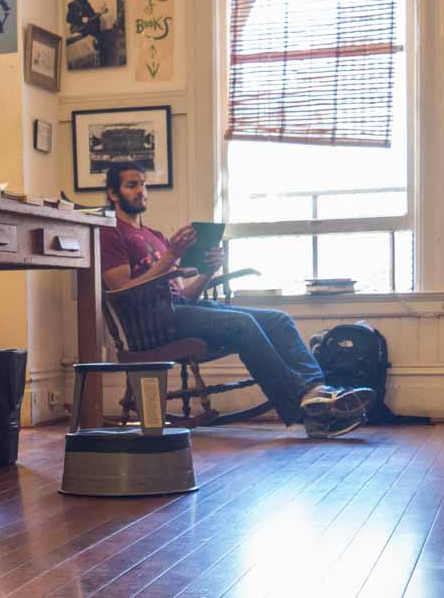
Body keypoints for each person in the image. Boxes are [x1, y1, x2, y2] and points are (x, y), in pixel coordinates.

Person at [100, 162, 374, 439]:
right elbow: (123, 289)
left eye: (143, 184)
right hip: (153, 323)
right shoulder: (110, 233)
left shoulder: (154, 236)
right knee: (241, 323)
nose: (141, 191)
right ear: (113, 193)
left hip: (181, 309)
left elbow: (184, 295)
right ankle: (310, 413)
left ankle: (317, 391)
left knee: (278, 319)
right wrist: (171, 256)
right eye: (132, 185)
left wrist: (207, 271)